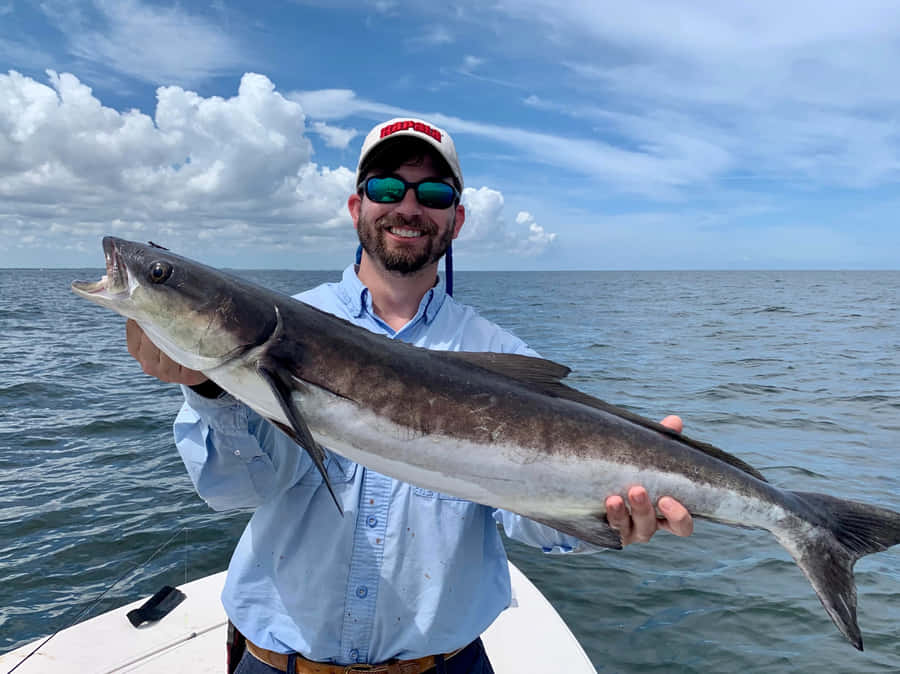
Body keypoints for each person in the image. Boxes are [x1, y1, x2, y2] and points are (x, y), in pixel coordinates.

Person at [126, 117, 694, 674]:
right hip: (277, 662)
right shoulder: (282, 326)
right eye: (387, 187)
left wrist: (610, 513)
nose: (408, 207)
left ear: (457, 219)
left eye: (434, 193)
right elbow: (236, 491)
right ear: (357, 208)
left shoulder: (498, 356)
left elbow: (530, 521)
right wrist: (208, 387)